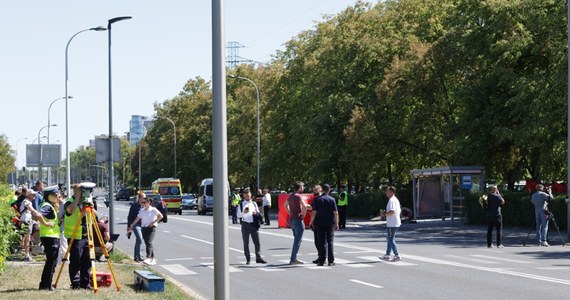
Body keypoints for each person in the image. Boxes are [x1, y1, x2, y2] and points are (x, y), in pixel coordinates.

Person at [64, 184, 92, 289]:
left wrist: (90, 205)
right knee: (76, 261)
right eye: (79, 190)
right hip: (75, 237)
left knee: (87, 261)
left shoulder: (87, 202)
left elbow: (95, 214)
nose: (81, 192)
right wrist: (77, 198)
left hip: (86, 235)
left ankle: (85, 283)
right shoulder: (69, 202)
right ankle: (76, 284)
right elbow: (70, 210)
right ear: (74, 191)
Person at [128, 193, 163, 265]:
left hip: (151, 227)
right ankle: (151, 258)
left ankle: (148, 257)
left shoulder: (153, 209)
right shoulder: (141, 210)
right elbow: (136, 219)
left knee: (148, 242)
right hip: (143, 227)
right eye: (143, 202)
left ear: (149, 202)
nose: (143, 203)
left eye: (145, 202)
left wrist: (153, 223)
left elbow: (161, 216)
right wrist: (131, 225)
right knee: (147, 242)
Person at [309, 184, 338, 266]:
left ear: (322, 190)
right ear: (329, 190)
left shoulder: (318, 199)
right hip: (329, 223)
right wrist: (337, 223)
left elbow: (314, 212)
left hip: (319, 222)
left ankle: (321, 260)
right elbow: (335, 212)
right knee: (330, 241)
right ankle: (331, 261)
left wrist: (311, 222)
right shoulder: (332, 199)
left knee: (321, 242)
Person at [37, 191, 60, 290]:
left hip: (51, 237)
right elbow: (38, 214)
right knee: (51, 262)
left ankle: (44, 284)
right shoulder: (47, 206)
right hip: (50, 237)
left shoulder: (50, 206)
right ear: (49, 196)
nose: (57, 197)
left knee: (51, 262)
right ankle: (47, 285)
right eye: (55, 195)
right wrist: (46, 223)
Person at [237, 187, 266, 264]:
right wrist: (244, 212)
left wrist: (255, 213)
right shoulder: (241, 204)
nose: (247, 197)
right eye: (246, 196)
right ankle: (248, 259)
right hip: (245, 225)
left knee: (257, 242)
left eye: (248, 195)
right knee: (246, 243)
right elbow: (238, 215)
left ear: (251, 195)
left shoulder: (254, 203)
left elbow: (258, 213)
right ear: (243, 196)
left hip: (254, 225)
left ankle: (258, 258)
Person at [284, 181, 307, 265]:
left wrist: (290, 212)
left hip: (292, 219)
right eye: (302, 187)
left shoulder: (290, 196)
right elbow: (304, 206)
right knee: (297, 240)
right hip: (298, 219)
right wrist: (303, 215)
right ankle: (293, 259)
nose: (303, 189)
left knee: (296, 239)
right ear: (300, 188)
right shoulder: (298, 196)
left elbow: (285, 205)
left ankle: (294, 258)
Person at [381, 186, 402, 262]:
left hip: (392, 223)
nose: (386, 192)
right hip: (394, 222)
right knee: (390, 238)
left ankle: (397, 255)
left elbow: (392, 211)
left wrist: (384, 214)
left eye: (387, 191)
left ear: (391, 192)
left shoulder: (392, 200)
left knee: (390, 239)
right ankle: (387, 255)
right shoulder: (395, 199)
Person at [20, 189, 41, 262]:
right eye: (33, 194)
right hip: (25, 222)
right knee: (27, 239)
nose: (34, 195)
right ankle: (27, 255)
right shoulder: (26, 201)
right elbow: (32, 210)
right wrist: (39, 215)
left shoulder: (29, 201)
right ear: (29, 195)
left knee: (38, 229)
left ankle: (32, 249)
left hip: (29, 221)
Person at [127, 193, 145, 262]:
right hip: (136, 225)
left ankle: (137, 256)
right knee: (139, 239)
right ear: (139, 198)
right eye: (143, 197)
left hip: (143, 225)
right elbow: (130, 217)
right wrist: (129, 227)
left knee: (139, 240)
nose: (145, 199)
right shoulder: (134, 206)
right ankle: (138, 255)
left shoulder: (145, 206)